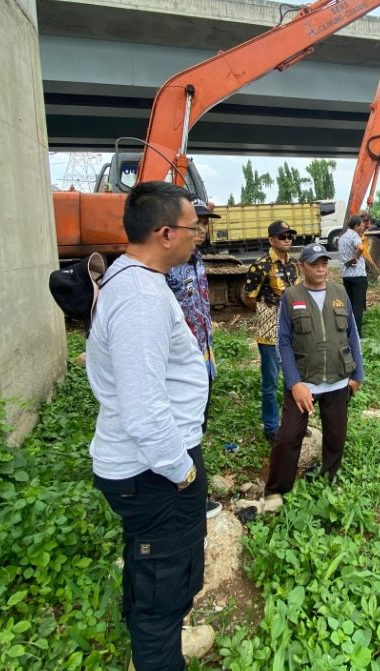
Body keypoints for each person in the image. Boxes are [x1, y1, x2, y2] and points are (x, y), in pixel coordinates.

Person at [87, 182, 214, 671]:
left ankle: (162, 638)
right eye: (191, 228)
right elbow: (144, 410)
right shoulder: (140, 298)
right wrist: (181, 472)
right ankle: (159, 652)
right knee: (163, 577)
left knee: (156, 565)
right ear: (165, 233)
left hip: (149, 466)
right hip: (154, 471)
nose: (196, 237)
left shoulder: (136, 282)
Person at [264, 243, 364, 498]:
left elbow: (353, 335)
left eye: (323, 263)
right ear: (302, 267)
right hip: (304, 382)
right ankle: (276, 491)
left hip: (338, 381)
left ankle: (328, 479)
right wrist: (294, 383)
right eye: (314, 264)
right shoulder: (291, 296)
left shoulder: (340, 292)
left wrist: (357, 374)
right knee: (287, 438)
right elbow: (283, 342)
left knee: (335, 437)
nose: (320, 269)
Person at [166, 197, 222, 520]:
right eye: (196, 221)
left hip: (203, 356)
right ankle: (187, 499)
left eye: (205, 222)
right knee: (182, 429)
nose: (202, 228)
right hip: (180, 364)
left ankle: (189, 490)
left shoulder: (196, 259)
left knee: (197, 425)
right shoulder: (167, 266)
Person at [242, 220, 300, 443]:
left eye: (289, 236)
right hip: (269, 331)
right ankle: (271, 426)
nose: (287, 239)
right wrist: (269, 309)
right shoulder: (260, 266)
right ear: (271, 240)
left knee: (293, 379)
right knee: (270, 381)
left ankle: (293, 423)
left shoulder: (294, 265)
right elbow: (249, 298)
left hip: (292, 330)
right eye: (282, 236)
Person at [338, 215, 368, 337]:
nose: (363, 227)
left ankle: (348, 331)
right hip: (358, 275)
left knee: (349, 304)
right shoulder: (354, 236)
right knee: (358, 305)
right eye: (361, 225)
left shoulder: (342, 237)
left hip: (346, 275)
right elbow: (360, 247)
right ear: (356, 226)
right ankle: (357, 334)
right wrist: (356, 258)